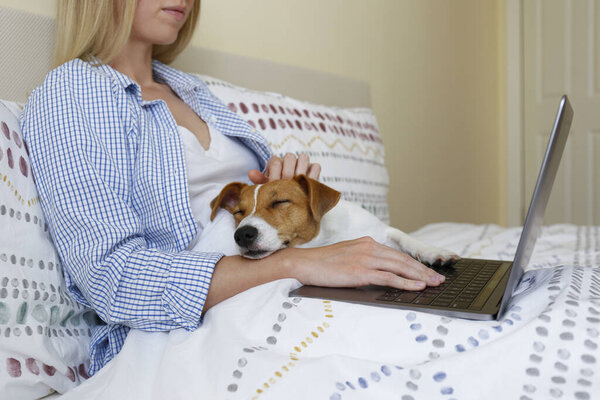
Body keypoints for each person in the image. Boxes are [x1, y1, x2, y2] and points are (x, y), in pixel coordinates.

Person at [19, 0, 445, 376]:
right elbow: (111, 277)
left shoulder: (194, 93)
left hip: (288, 287)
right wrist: (296, 264)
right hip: (193, 324)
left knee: (445, 322)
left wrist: (281, 181)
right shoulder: (71, 94)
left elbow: (263, 211)